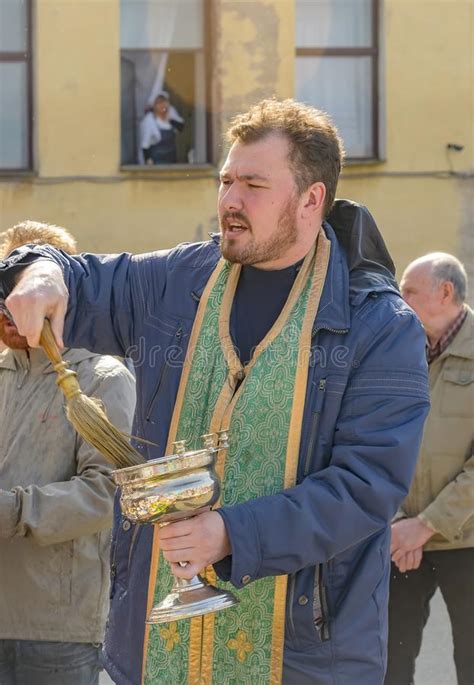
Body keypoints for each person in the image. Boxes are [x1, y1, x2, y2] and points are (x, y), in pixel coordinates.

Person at [0, 100, 430, 685]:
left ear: (312, 199)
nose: (230, 199)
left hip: (301, 658)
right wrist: (44, 272)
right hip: (154, 651)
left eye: (254, 184)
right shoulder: (179, 281)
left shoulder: (380, 326)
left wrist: (230, 533)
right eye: (227, 180)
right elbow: (85, 278)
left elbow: (366, 487)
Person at [0, 222, 136, 685]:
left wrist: (16, 510)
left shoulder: (102, 379)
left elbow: (108, 496)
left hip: (56, 629)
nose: (10, 306)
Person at [385, 253, 474, 685]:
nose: (398, 299)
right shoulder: (397, 350)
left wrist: (427, 524)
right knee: (388, 666)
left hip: (466, 541)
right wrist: (398, 521)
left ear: (445, 292)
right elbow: (373, 441)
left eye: (408, 290)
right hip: (400, 542)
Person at [140, 91, 184, 164]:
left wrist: (170, 120)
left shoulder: (171, 114)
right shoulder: (149, 120)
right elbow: (145, 145)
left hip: (172, 160)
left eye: (164, 102)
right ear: (154, 105)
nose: (163, 105)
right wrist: (148, 161)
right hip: (157, 162)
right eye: (159, 103)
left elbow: (181, 127)